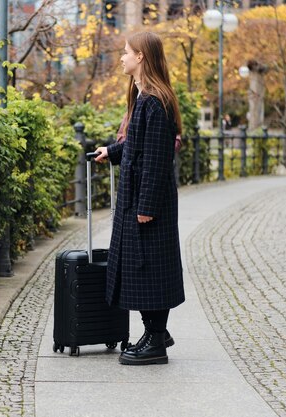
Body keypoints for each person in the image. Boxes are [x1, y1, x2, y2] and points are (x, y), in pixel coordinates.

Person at [94, 32, 184, 366]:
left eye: (126, 52)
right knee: (141, 270)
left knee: (150, 270)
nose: (121, 57)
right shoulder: (142, 95)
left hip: (148, 204)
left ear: (141, 57)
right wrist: (112, 151)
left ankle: (156, 340)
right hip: (138, 199)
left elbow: (157, 160)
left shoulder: (154, 101)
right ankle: (153, 333)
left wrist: (146, 208)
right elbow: (138, 146)